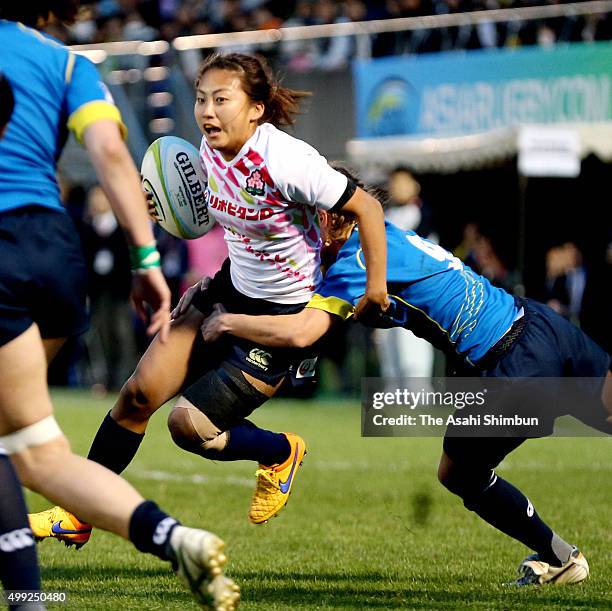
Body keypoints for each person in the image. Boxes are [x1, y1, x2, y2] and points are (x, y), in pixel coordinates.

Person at [197, 166, 612, 587]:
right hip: (535, 322)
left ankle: (560, 556)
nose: (294, 223)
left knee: (460, 475)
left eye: (303, 213)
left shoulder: (355, 259)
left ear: (327, 217)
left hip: (508, 368)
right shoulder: (383, 233)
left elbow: (303, 330)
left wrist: (229, 322)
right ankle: (559, 558)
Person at [33, 52, 389, 540]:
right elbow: (242, 235)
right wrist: (209, 282)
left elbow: (367, 207)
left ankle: (280, 452)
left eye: (222, 100)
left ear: (256, 108)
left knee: (188, 428)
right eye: (201, 99)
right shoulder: (205, 151)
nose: (207, 111)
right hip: (227, 288)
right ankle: (78, 516)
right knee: (136, 396)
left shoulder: (288, 161)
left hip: (283, 315)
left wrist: (375, 290)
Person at [0, 5, 239, 609]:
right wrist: (147, 259)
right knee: (33, 448)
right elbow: (110, 152)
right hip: (52, 252)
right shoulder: (66, 64)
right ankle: (173, 536)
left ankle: (26, 598)